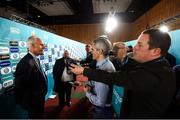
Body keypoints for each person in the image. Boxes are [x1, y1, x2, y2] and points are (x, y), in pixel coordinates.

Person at [70, 29, 176, 118]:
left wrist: (83, 71)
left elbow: (115, 77)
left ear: (155, 51)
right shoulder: (154, 64)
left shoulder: (156, 74)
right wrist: (122, 58)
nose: (134, 48)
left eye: (139, 45)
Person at [79, 35, 115, 118]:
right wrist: (83, 83)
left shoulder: (103, 68)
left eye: (93, 49)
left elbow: (100, 102)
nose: (91, 51)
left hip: (102, 111)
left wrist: (87, 92)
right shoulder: (103, 64)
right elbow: (96, 82)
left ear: (100, 51)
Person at [14, 36, 47, 118]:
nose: (44, 47)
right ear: (32, 46)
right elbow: (19, 86)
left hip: (38, 100)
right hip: (33, 103)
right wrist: (28, 103)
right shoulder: (25, 63)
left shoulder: (35, 59)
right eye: (41, 45)